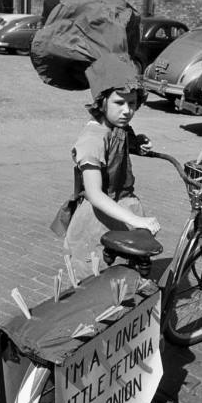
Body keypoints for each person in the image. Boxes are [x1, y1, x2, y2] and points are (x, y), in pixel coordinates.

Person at [50, 52, 160, 281]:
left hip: (121, 209)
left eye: (132, 103)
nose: (127, 110)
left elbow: (119, 145)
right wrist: (136, 221)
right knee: (93, 282)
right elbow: (94, 194)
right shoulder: (92, 139)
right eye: (119, 103)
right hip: (97, 218)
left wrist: (136, 143)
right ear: (101, 102)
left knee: (122, 279)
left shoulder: (116, 128)